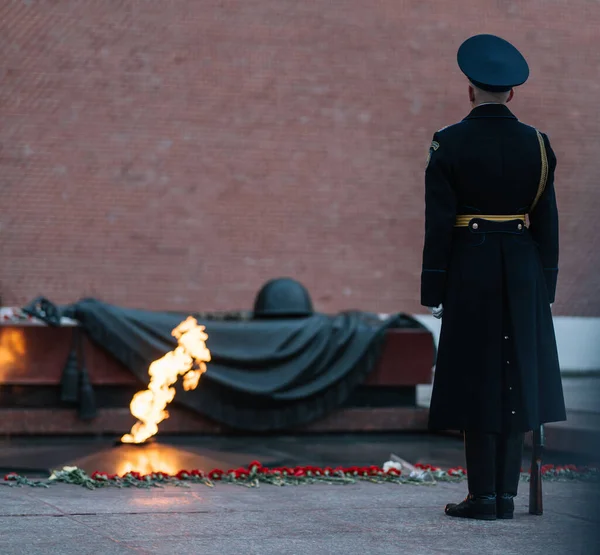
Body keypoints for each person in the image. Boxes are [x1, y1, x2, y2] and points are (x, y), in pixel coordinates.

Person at [421, 34, 566, 520]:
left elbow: (439, 221)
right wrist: (545, 284)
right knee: (517, 378)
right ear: (513, 94)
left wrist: (433, 287)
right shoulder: (538, 145)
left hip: (471, 267)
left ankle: (484, 497)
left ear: (469, 90)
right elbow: (548, 221)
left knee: (474, 376)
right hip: (523, 269)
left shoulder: (449, 141)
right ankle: (506, 495)